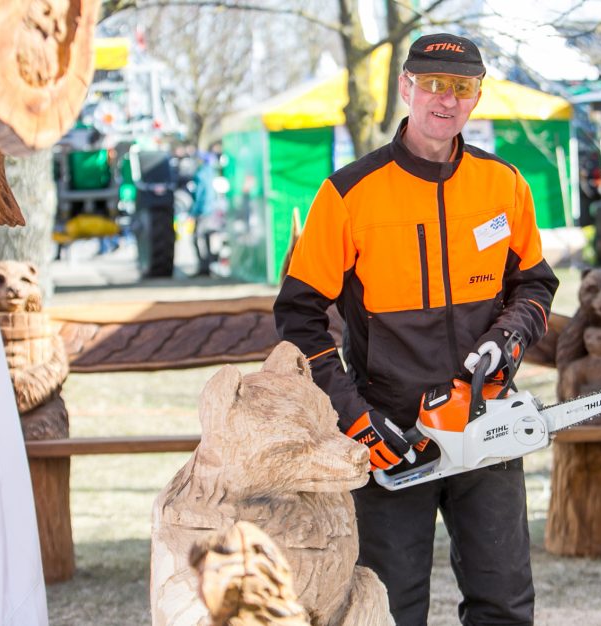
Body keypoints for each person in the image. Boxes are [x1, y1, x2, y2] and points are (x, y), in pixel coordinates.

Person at [273, 33, 558, 625]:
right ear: (406, 88)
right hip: (391, 431)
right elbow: (298, 318)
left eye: (462, 88)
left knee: (504, 601)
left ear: (477, 98)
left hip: (486, 421)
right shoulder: (349, 192)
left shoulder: (503, 184)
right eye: (432, 84)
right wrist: (353, 415)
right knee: (391, 606)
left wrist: (508, 339)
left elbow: (534, 284)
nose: (445, 100)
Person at [189, 147, 224, 277]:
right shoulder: (212, 172)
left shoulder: (201, 174)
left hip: (204, 211)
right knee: (209, 237)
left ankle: (204, 267)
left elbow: (201, 196)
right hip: (213, 210)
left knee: (198, 238)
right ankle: (209, 266)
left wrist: (194, 212)